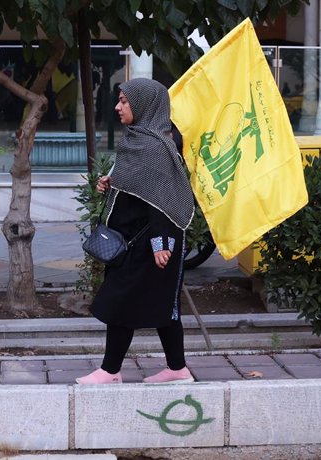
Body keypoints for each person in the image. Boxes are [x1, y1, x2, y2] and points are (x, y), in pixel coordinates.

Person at [76, 78, 196, 385]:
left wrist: (161, 244)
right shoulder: (138, 138)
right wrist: (112, 181)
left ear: (144, 104)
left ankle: (110, 371)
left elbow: (161, 200)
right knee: (160, 305)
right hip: (133, 238)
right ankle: (177, 369)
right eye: (119, 100)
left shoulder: (156, 146)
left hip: (152, 240)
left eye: (124, 101)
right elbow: (140, 186)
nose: (118, 107)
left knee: (124, 301)